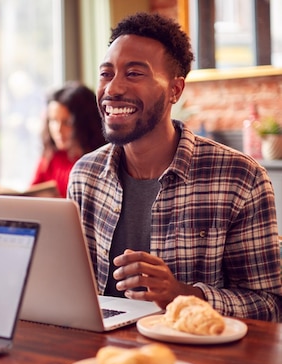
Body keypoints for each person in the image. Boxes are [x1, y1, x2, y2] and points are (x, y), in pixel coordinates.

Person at [68, 12, 282, 321]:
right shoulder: (85, 176)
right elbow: (73, 290)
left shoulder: (241, 178)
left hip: (197, 358)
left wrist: (181, 294)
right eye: (106, 73)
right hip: (103, 361)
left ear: (175, 90)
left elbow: (270, 306)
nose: (112, 89)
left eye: (134, 73)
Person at [31, 82, 104, 197]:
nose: (58, 130)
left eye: (67, 122)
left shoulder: (100, 162)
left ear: (85, 124)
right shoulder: (50, 156)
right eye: (53, 120)